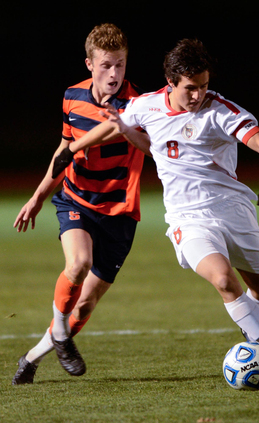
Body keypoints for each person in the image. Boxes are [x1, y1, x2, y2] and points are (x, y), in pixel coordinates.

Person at [53, 39, 259, 381]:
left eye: (203, 86)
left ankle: (257, 341)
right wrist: (74, 148)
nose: (198, 95)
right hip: (188, 219)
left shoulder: (221, 111)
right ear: (170, 83)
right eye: (190, 88)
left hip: (233, 210)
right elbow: (114, 126)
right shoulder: (148, 105)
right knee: (222, 279)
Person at [12, 23, 150, 385]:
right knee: (79, 262)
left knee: (85, 304)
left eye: (120, 64)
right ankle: (59, 331)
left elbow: (150, 148)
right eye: (106, 65)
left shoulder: (137, 105)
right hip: (76, 199)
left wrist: (127, 128)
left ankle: (30, 358)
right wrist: (39, 196)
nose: (114, 74)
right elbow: (63, 149)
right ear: (89, 64)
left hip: (120, 214)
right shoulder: (72, 96)